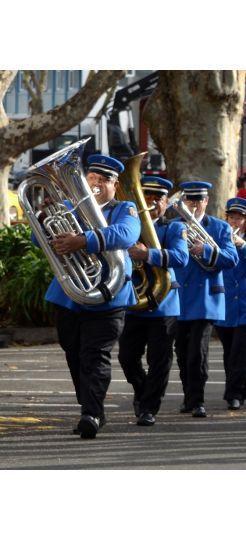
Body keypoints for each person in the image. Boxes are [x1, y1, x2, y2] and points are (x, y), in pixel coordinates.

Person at [34, 154, 141, 439]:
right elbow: (39, 241)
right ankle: (92, 407)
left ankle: (91, 414)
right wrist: (45, 218)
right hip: (71, 295)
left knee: (96, 356)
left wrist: (83, 240)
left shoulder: (124, 209)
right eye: (92, 178)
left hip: (109, 294)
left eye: (104, 180)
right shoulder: (69, 207)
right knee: (74, 354)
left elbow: (127, 235)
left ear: (114, 186)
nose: (96, 184)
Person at [117, 176, 188, 427]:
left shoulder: (174, 228)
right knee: (126, 357)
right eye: (146, 196)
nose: (152, 202)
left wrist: (146, 254)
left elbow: (181, 257)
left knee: (160, 360)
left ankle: (149, 407)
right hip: (134, 301)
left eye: (158, 198)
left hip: (164, 303)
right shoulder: (128, 225)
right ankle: (142, 388)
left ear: (166, 203)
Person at [172, 181, 239, 419]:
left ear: (207, 201)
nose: (194, 204)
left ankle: (197, 399)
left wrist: (207, 251)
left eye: (199, 200)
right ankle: (188, 396)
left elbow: (232, 259)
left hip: (206, 297)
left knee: (197, 352)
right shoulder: (174, 226)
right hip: (179, 296)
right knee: (181, 351)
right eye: (190, 200)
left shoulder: (220, 228)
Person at [213, 197, 246, 411]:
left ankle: (232, 394)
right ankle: (242, 389)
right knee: (229, 351)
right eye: (231, 218)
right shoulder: (219, 239)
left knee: (241, 351)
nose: (234, 222)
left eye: (239, 219)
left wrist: (241, 245)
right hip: (226, 302)